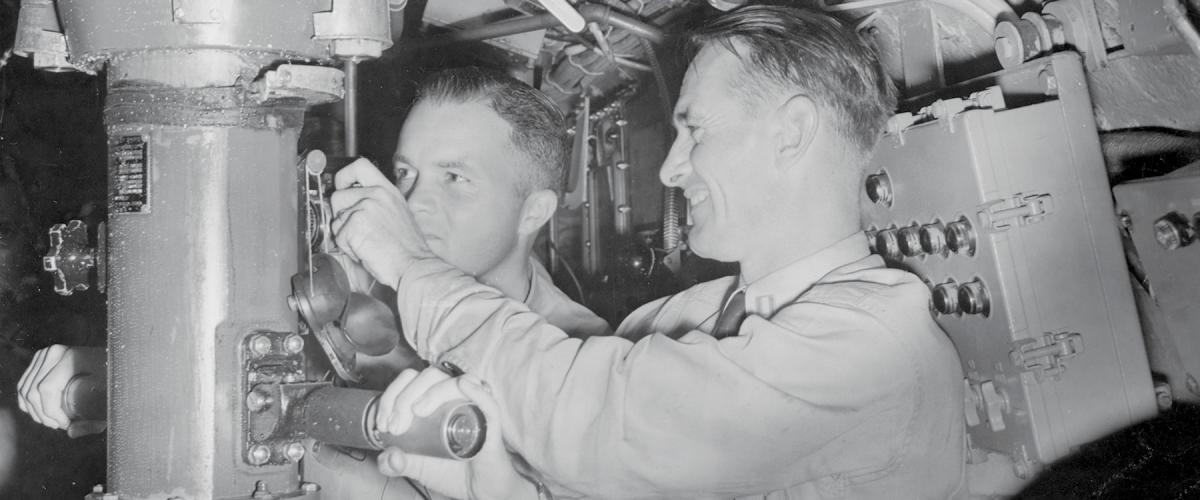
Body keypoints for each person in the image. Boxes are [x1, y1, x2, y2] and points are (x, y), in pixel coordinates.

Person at [331, 4, 967, 499]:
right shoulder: (686, 318)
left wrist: (413, 267)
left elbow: (600, 424)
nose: (669, 169)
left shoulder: (876, 349)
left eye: (693, 129)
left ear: (792, 133)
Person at [16, 67, 610, 497]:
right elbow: (240, 378)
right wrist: (131, 377)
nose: (412, 204)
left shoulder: (578, 368)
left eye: (455, 178)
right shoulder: (342, 290)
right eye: (404, 173)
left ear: (535, 211)